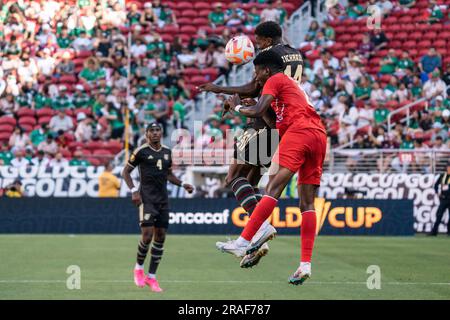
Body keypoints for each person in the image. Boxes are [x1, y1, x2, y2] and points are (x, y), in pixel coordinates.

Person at [216, 50, 327, 285]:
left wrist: (237, 107)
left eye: (256, 71)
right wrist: (255, 105)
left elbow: (256, 113)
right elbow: (272, 122)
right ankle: (305, 265)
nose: (255, 77)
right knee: (306, 203)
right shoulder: (288, 89)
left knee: (272, 188)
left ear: (266, 69)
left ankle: (243, 241)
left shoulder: (275, 79)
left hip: (301, 132)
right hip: (318, 135)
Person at [198, 21, 303, 268]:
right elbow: (262, 90)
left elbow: (254, 88)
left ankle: (262, 229)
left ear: (266, 40)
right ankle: (257, 240)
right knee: (251, 182)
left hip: (263, 123)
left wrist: (218, 89)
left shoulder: (268, 55)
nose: (257, 45)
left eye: (258, 41)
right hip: (281, 125)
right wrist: (244, 97)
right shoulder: (295, 54)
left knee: (233, 177)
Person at [121, 122, 194, 293]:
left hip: (163, 200)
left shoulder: (167, 152)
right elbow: (125, 172)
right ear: (147, 134)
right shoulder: (141, 151)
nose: (155, 133)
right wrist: (133, 191)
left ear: (161, 133)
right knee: (147, 236)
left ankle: (151, 277)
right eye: (151, 131)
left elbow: (168, 174)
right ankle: (138, 268)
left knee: (160, 237)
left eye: (157, 130)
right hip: (146, 199)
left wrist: (183, 184)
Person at [429, 162, 450, 236]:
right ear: (446, 168)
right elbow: (435, 185)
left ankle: (449, 232)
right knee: (439, 215)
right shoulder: (442, 176)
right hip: (444, 199)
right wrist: (437, 193)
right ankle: (434, 231)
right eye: (448, 167)